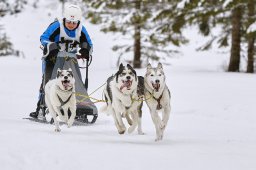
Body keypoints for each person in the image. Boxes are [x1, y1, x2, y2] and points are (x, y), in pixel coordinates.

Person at [29, 4, 93, 119]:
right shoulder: (56, 26)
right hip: (52, 58)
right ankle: (41, 108)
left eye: (74, 23)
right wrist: (52, 46)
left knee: (75, 81)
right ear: (64, 19)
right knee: (48, 81)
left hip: (70, 59)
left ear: (78, 22)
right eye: (69, 22)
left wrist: (85, 50)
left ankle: (78, 106)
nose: (71, 25)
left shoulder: (81, 29)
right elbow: (43, 38)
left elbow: (89, 44)